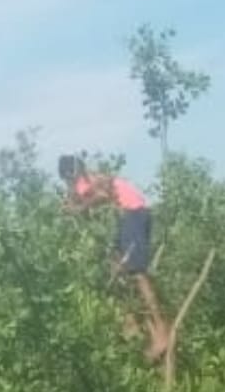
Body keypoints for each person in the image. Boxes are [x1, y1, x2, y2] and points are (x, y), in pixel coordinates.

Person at [58, 154, 170, 361]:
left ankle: (161, 332)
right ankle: (133, 325)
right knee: (116, 271)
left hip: (132, 213)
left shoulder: (85, 181)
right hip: (130, 215)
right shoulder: (87, 180)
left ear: (69, 174)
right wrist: (73, 207)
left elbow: (101, 196)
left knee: (137, 274)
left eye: (66, 177)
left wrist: (78, 208)